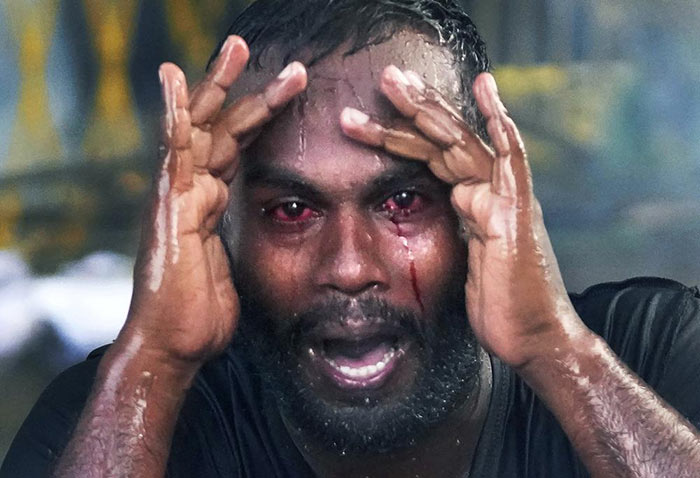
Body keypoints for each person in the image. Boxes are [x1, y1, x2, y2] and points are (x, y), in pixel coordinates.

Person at [3, 1, 700, 476]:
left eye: (401, 201)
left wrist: (558, 352)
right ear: (223, 231)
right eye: (291, 211)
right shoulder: (113, 413)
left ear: (485, 208)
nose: (348, 266)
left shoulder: (657, 354)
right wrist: (151, 363)